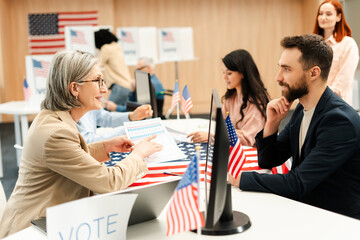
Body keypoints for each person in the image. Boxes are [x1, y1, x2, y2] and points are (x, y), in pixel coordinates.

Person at [0, 50, 163, 237]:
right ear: (74, 88)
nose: (104, 89)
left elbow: (71, 155)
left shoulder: (53, 119)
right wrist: (138, 155)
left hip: (51, 221)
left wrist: (105, 147)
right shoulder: (56, 133)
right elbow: (109, 182)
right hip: (32, 231)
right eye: (98, 81)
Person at [230, 34, 360, 220]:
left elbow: (298, 182)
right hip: (308, 209)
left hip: (337, 221)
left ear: (314, 73)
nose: (278, 77)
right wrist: (272, 123)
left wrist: (241, 178)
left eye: (286, 69)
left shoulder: (339, 121)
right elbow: (268, 160)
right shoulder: (302, 108)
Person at [188, 49, 270, 147]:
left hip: (254, 154)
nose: (225, 77)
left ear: (243, 73)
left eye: (229, 73)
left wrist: (213, 137)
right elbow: (223, 128)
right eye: (223, 72)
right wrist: (233, 133)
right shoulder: (231, 98)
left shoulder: (257, 101)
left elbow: (247, 140)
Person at [313, 0, 359, 105]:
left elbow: (342, 82)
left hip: (335, 105)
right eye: (320, 14)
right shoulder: (313, 45)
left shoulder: (348, 44)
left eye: (328, 14)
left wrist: (319, 96)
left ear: (338, 17)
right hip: (312, 105)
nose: (323, 17)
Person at [95, 29, 133, 107]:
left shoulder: (106, 48)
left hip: (119, 86)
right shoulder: (117, 46)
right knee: (119, 112)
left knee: (108, 110)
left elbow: (98, 64)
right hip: (126, 85)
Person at [77, 104, 153, 143]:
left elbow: (105, 117)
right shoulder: (74, 111)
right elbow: (87, 143)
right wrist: (128, 129)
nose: (104, 89)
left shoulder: (88, 102)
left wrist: (131, 116)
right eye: (97, 81)